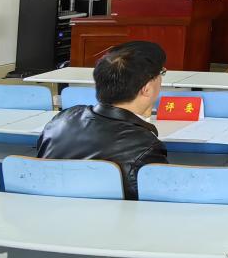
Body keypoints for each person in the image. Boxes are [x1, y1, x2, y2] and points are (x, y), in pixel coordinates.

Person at [37, 41, 168, 200]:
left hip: (49, 210)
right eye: (161, 73)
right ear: (146, 88)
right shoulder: (145, 146)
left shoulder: (61, 119)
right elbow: (158, 201)